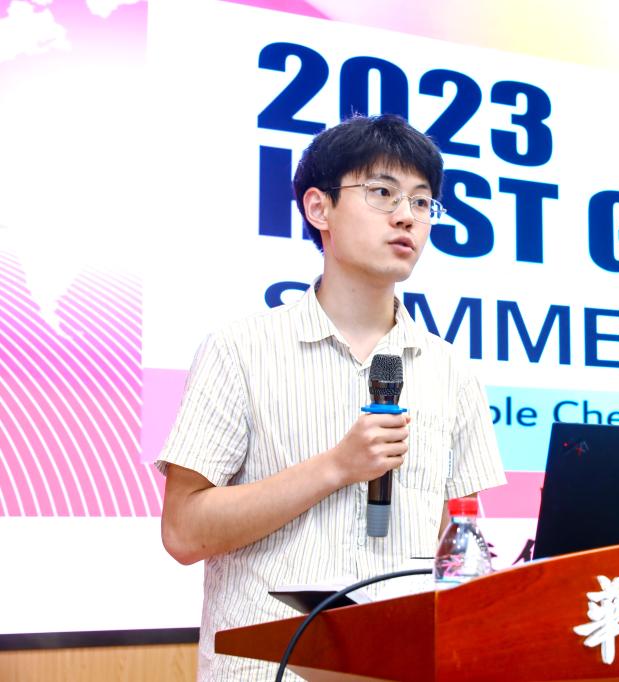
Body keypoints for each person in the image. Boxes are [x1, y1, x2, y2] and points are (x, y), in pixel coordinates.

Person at [156, 114, 506, 681]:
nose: (406, 216)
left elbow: (459, 540)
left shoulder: (451, 369)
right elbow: (183, 532)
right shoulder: (239, 350)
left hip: (401, 669)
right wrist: (337, 467)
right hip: (270, 672)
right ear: (319, 208)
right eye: (382, 193)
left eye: (421, 202)